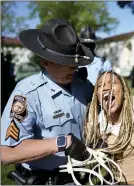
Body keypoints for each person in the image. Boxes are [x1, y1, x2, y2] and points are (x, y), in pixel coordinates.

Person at [0, 19, 96, 185]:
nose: (74, 68)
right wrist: (62, 142)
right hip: (44, 181)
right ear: (45, 61)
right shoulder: (27, 93)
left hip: (78, 178)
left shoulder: (83, 86)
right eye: (66, 62)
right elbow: (7, 153)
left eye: (74, 62)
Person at [83, 71, 134, 185]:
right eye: (100, 85)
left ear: (124, 89)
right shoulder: (96, 125)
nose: (106, 88)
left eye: (112, 83)